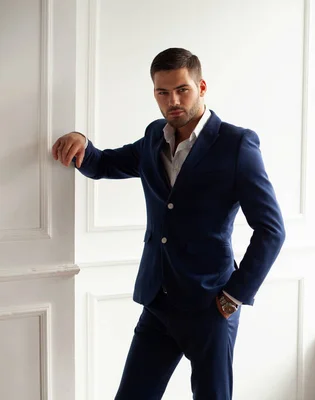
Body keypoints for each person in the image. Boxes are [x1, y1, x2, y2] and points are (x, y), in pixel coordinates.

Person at [51, 47, 286, 399]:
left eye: (182, 90)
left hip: (210, 306)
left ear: (201, 87)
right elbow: (104, 164)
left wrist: (233, 297)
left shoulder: (236, 144)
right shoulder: (152, 138)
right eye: (163, 92)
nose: (173, 100)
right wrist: (82, 142)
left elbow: (271, 230)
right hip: (158, 301)